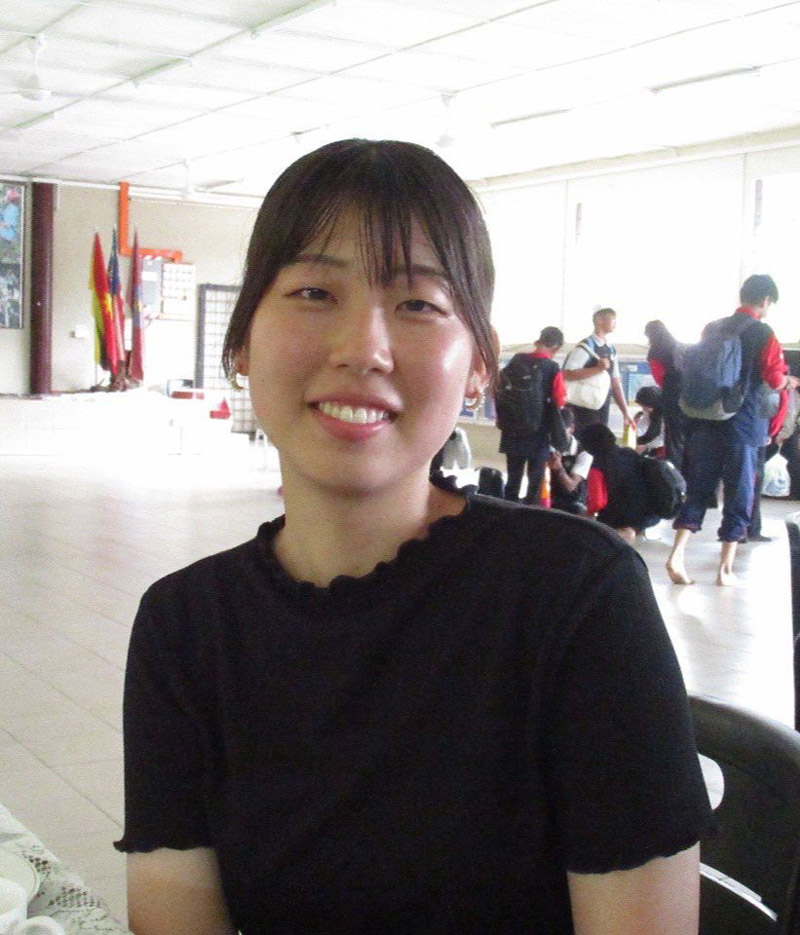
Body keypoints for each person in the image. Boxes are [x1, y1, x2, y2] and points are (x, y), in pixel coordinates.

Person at [116, 139, 710, 935]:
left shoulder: (576, 596)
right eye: (314, 291)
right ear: (240, 344)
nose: (363, 348)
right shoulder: (186, 628)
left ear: (479, 365)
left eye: (419, 304)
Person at [666, 274, 799, 586]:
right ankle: (725, 570)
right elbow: (774, 379)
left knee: (699, 488)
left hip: (705, 418)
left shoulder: (712, 327)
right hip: (744, 423)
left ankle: (677, 554)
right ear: (765, 300)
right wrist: (789, 382)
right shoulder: (763, 332)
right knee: (740, 492)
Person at [498, 325, 566, 504]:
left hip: (512, 429)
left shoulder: (516, 360)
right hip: (538, 432)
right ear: (556, 348)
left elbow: (499, 388)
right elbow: (559, 401)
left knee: (513, 479)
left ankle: (508, 510)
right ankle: (530, 512)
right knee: (535, 483)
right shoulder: (552, 368)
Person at [580, 423, 661, 544]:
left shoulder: (597, 466)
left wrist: (586, 515)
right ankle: (632, 531)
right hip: (650, 510)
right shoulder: (629, 452)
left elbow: (597, 502)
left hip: (621, 516)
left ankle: (623, 534)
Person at [563, 307, 636, 434]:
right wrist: (597, 369)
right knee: (584, 441)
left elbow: (616, 383)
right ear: (599, 320)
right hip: (582, 407)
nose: (615, 323)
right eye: (612, 319)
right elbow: (567, 374)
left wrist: (625, 412)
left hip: (602, 406)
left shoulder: (611, 350)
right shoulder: (585, 347)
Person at [644, 320, 687, 469]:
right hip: (689, 397)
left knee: (673, 439)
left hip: (672, 397)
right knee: (687, 437)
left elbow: (659, 377)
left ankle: (674, 472)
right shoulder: (679, 346)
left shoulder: (655, 350)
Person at [548, 405, 592, 514]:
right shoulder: (546, 447)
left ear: (572, 428)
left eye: (561, 431)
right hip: (548, 497)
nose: (557, 435)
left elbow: (570, 486)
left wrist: (559, 469)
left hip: (573, 502)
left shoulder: (583, 452)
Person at [634, 385, 665, 457]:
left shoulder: (666, 414)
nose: (644, 409)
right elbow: (642, 426)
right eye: (642, 406)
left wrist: (646, 446)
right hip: (655, 439)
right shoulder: (651, 410)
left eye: (645, 406)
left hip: (667, 446)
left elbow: (663, 437)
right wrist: (635, 427)